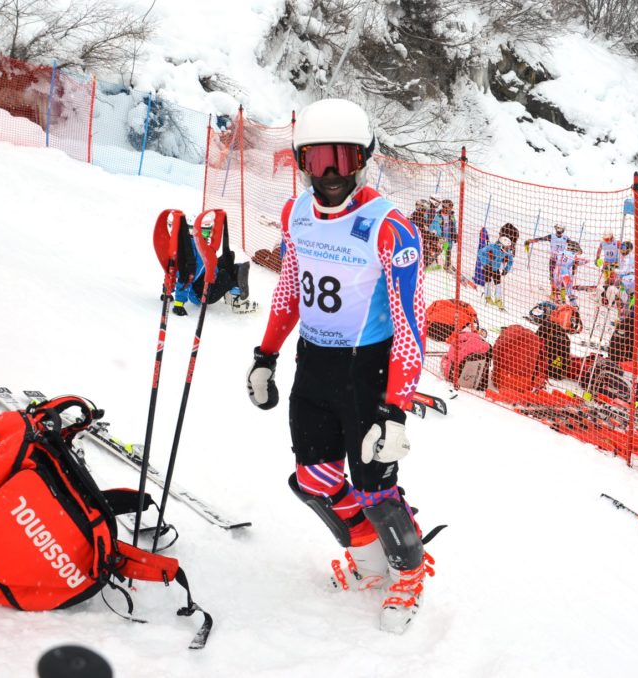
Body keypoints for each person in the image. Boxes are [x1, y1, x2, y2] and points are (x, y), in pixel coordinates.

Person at [244, 98, 431, 634]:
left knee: (375, 487)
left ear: (363, 159)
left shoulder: (390, 227)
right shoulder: (294, 214)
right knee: (314, 477)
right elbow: (289, 287)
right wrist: (265, 355)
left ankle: (409, 574)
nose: (329, 174)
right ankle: (372, 563)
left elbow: (411, 322)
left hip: (366, 371)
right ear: (302, 161)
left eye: (341, 159)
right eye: (317, 159)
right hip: (314, 364)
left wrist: (396, 408)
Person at [478, 225, 518, 310]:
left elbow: (511, 260)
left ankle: (498, 299)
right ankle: (487, 297)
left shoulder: (506, 251)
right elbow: (481, 252)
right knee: (488, 282)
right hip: (488, 268)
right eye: (505, 248)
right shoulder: (492, 247)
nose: (506, 250)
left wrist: (506, 269)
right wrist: (485, 263)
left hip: (496, 269)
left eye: (507, 248)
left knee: (498, 283)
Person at [596, 233, 621, 305]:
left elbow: (623, 253)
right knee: (606, 281)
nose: (606, 240)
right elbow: (599, 250)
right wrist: (597, 258)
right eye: (605, 239)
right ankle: (605, 297)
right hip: (606, 264)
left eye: (607, 239)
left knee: (611, 281)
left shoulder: (617, 242)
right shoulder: (603, 243)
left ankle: (610, 298)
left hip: (614, 264)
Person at [438, 199, 458, 271]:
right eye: (449, 207)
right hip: (440, 237)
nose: (450, 209)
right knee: (438, 250)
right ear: (444, 207)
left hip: (448, 236)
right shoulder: (438, 215)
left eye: (451, 208)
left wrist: (455, 234)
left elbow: (454, 225)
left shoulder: (451, 216)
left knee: (448, 250)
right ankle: (433, 262)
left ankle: (447, 264)